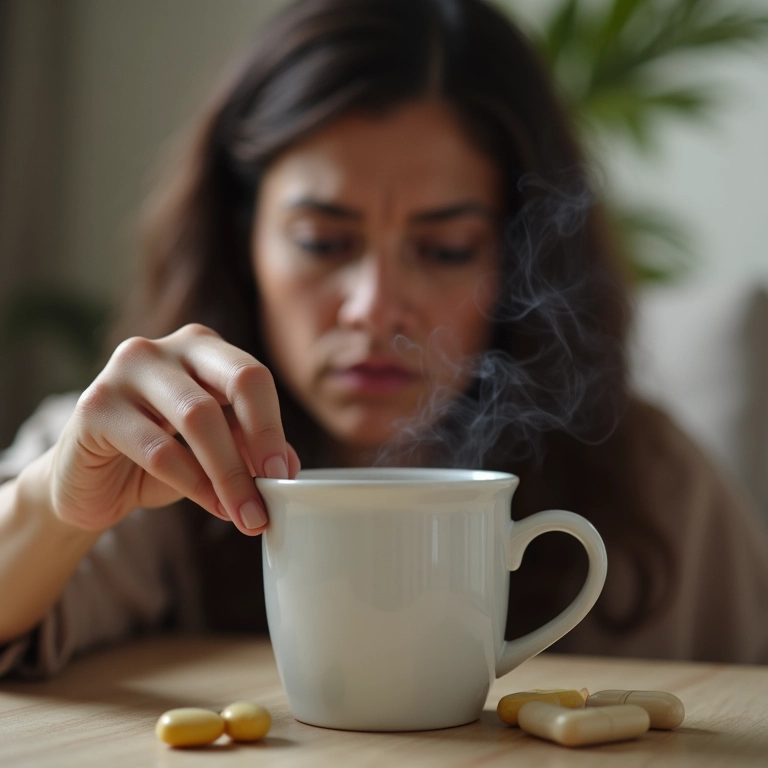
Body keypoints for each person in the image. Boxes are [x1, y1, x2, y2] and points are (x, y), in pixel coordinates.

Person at [1, 0, 767, 678]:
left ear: (515, 256)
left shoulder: (654, 487)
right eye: (322, 242)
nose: (373, 309)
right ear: (243, 246)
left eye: (443, 251)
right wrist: (52, 506)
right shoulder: (147, 456)